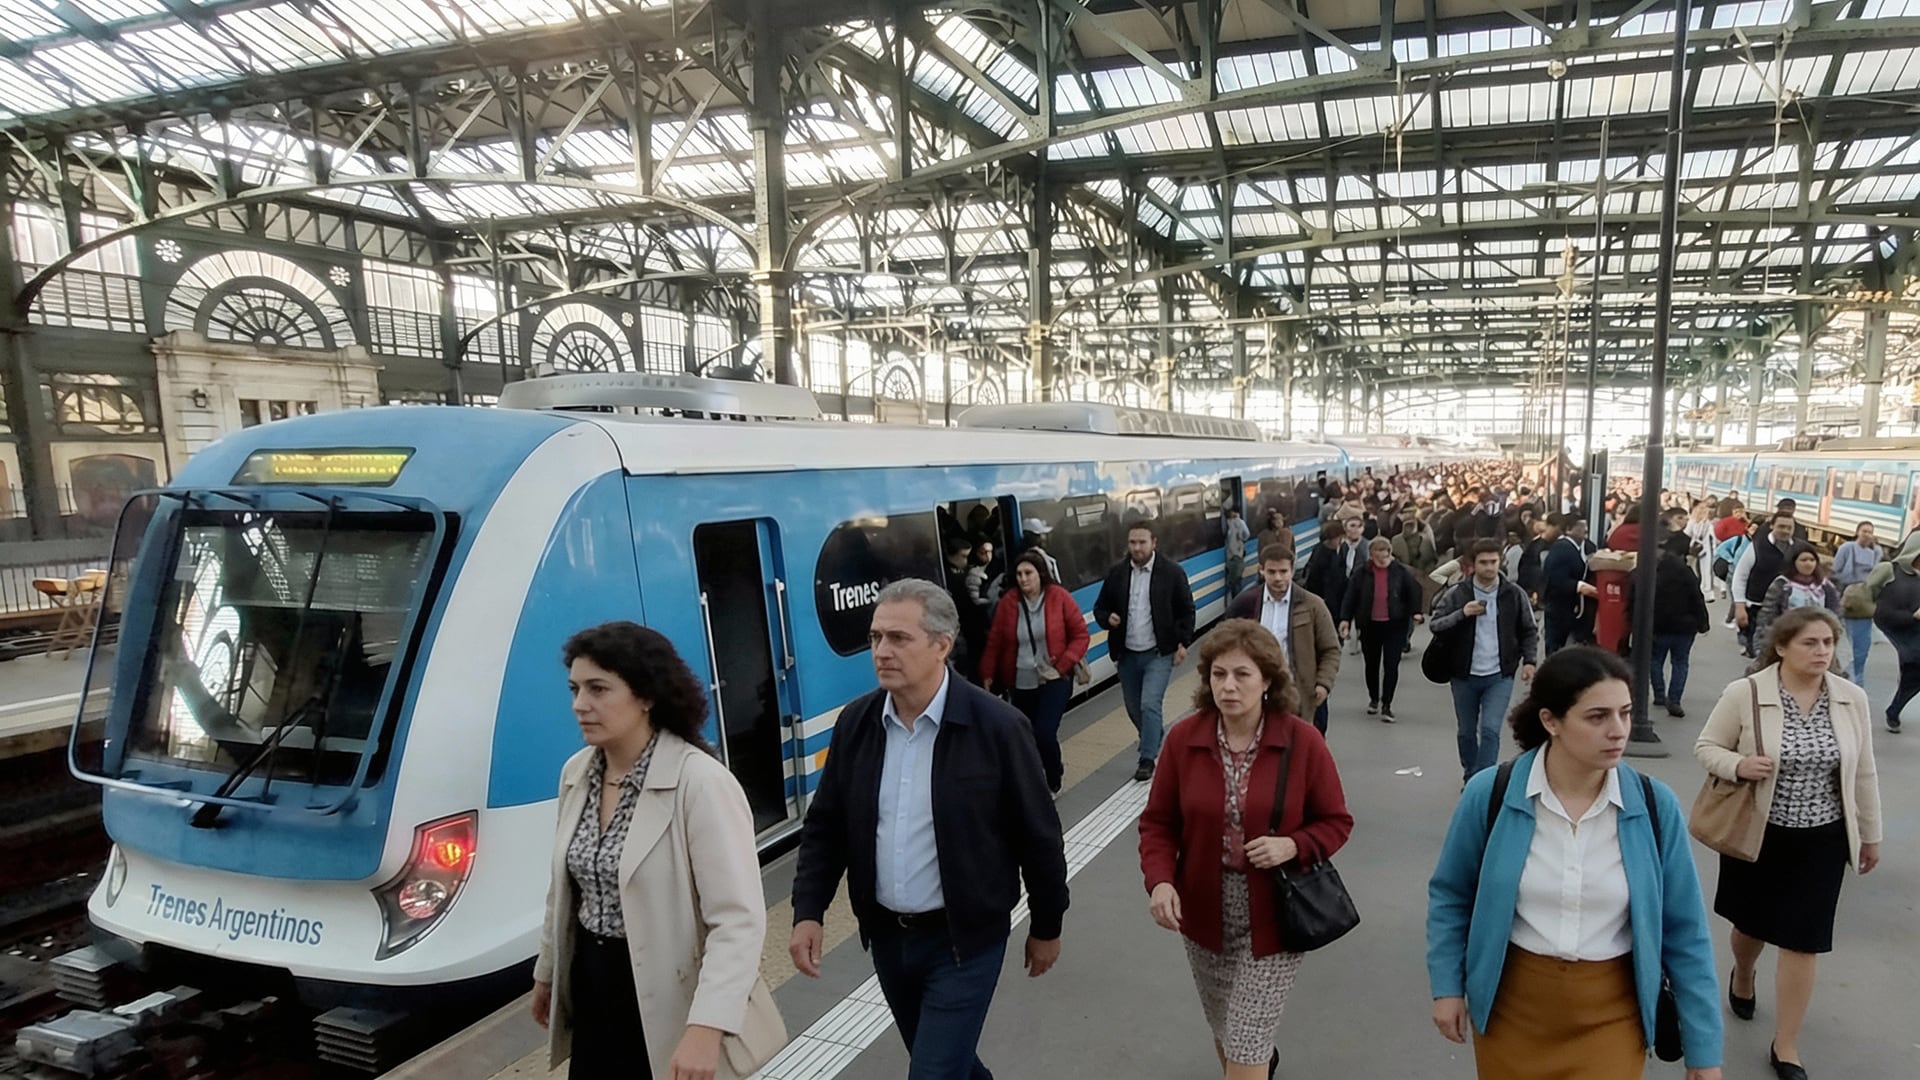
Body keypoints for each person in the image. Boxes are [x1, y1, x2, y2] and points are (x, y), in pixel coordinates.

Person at [789, 579, 1069, 1080]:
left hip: (964, 940)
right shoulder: (857, 724)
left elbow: (1039, 837)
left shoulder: (998, 728)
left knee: (933, 1073)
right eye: (876, 638)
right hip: (889, 940)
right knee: (946, 1062)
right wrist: (808, 910)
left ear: (942, 645)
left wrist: (1047, 924)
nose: (881, 652)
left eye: (899, 639)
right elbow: (826, 825)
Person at [1426, 647, 1724, 1080]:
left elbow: (1686, 932)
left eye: (1625, 713)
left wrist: (1704, 1050)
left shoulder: (1654, 805)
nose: (1618, 730)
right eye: (1597, 716)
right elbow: (1452, 895)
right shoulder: (1491, 793)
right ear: (1551, 721)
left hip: (1612, 1015)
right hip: (1512, 1009)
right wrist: (1447, 987)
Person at [533, 622, 783, 1080]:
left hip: (667, 993)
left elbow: (737, 920)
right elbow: (563, 890)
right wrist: (548, 972)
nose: (579, 705)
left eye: (598, 689)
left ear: (646, 695)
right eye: (574, 689)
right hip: (592, 984)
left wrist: (708, 1027)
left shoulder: (699, 783)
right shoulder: (577, 774)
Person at [1138, 619, 1354, 1080]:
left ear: (1268, 681)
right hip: (1203, 912)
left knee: (1245, 1040)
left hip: (1274, 913)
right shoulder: (1183, 740)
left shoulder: (1302, 742)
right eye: (1218, 675)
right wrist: (1159, 881)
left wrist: (1292, 845)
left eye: (1242, 675)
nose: (1228, 686)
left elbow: (1336, 822)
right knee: (1226, 1028)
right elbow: (1158, 823)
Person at [1693, 606, 1882, 1080]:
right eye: (1810, 643)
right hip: (1759, 833)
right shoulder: (1747, 692)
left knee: (1804, 942)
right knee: (1751, 927)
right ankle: (1742, 973)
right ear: (1781, 647)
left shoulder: (1850, 698)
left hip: (1823, 839)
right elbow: (1706, 747)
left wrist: (1870, 834)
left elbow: (1863, 770)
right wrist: (1738, 765)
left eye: (1828, 643)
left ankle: (1787, 1045)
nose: (1823, 652)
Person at [1429, 540, 1539, 784]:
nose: (1489, 568)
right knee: (1467, 732)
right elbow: (1435, 624)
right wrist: (1462, 613)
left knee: (1490, 730)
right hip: (1464, 674)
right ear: (1472, 565)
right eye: (1483, 563)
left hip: (1499, 674)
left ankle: (1483, 782)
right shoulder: (1458, 593)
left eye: (1494, 562)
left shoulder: (1513, 593)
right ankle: (1470, 773)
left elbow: (1529, 630)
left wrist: (1530, 661)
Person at [1094, 521, 1196, 781]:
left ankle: (1147, 758)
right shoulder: (1117, 573)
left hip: (1159, 652)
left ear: (1154, 543)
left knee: (1150, 703)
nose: (1136, 548)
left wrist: (1183, 642)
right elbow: (1100, 608)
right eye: (1132, 543)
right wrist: (1108, 619)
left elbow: (1186, 610)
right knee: (1133, 706)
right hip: (1127, 654)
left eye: (1141, 542)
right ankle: (1154, 736)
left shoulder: (1172, 573)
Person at [981, 553, 1091, 795]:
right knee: (1026, 735)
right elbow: (995, 642)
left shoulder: (1058, 597)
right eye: (1019, 574)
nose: (1023, 579)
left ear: (1040, 574)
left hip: (1055, 677)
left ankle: (1053, 776)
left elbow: (1081, 635)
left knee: (1044, 731)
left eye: (1028, 573)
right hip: (1020, 681)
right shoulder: (1009, 603)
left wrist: (1062, 666)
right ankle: (1034, 777)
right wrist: (987, 674)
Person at [1227, 545, 1341, 734]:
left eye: (1283, 571)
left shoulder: (1312, 605)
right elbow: (1225, 645)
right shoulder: (1245, 604)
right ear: (1261, 570)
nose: (1278, 578)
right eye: (1271, 572)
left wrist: (1323, 683)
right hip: (1255, 692)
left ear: (1292, 570)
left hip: (1299, 692)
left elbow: (1330, 649)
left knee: (1300, 749)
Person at [1339, 537, 1425, 721]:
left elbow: (1413, 591)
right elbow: (1350, 595)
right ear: (1371, 556)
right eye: (1379, 558)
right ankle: (1373, 698)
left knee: (1391, 665)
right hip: (1370, 625)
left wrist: (1416, 612)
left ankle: (1387, 704)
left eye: (1386, 557)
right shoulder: (1361, 573)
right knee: (1371, 664)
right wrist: (1345, 619)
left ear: (1390, 554)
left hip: (1395, 624)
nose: (1383, 561)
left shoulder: (1400, 572)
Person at [1867, 529, 1920, 732]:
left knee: (1914, 675)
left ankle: (1895, 709)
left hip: (1915, 631)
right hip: (1888, 627)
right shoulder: (1888, 569)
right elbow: (1868, 597)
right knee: (1911, 663)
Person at [1751, 542, 1842, 654]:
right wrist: (1761, 646)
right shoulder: (1783, 584)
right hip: (1789, 639)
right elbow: (1767, 616)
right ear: (1794, 562)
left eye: (1812, 560)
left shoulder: (1825, 585)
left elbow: (1835, 613)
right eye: (1803, 560)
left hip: (1818, 640)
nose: (1808, 564)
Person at [1731, 511, 1799, 659]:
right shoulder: (1757, 547)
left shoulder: (1799, 550)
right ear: (1772, 525)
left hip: (1787, 611)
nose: (1785, 531)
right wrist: (1740, 606)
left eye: (1789, 527)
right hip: (1756, 608)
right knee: (1758, 655)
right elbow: (1740, 576)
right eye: (1781, 526)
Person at [1830, 522, 1881, 687]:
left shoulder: (1876, 552)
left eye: (1870, 532)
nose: (1867, 534)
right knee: (1843, 640)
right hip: (1844, 597)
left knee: (1861, 646)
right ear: (1857, 532)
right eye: (1864, 531)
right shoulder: (1847, 548)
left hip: (1864, 602)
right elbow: (1836, 570)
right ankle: (1841, 676)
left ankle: (1857, 682)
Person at [1540, 514, 1599, 654]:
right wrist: (1579, 586)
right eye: (1580, 527)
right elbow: (1555, 579)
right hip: (1559, 608)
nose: (1585, 530)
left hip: (1573, 609)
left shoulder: (1586, 546)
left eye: (1585, 526)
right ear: (1568, 529)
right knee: (1556, 647)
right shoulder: (1562, 549)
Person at [1304, 515, 1365, 609]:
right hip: (1325, 600)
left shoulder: (1340, 550)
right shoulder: (1321, 553)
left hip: (1337, 598)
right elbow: (1314, 578)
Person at [1223, 506, 1252, 600]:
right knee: (1235, 582)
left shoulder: (1233, 522)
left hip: (1235, 556)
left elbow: (1245, 535)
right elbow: (1246, 535)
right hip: (1235, 556)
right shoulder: (1236, 522)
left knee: (1235, 582)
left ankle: (1237, 601)